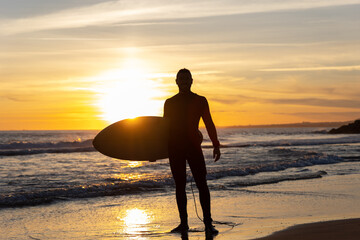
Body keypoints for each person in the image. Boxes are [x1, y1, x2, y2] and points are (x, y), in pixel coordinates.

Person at [163, 68, 221, 235]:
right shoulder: (169, 102)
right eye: (181, 79)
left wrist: (216, 144)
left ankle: (208, 223)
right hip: (175, 148)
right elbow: (165, 129)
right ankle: (183, 223)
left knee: (202, 184)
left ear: (192, 81)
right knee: (179, 186)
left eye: (187, 78)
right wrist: (154, 152)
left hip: (193, 147)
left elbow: (209, 123)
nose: (184, 81)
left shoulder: (200, 100)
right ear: (176, 81)